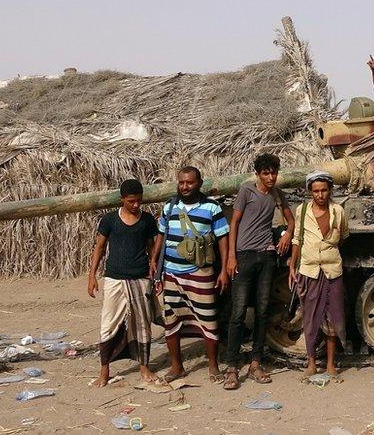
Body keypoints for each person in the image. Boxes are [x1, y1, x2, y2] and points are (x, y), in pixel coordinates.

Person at [149, 167, 230, 384]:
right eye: (182, 182)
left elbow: (223, 237)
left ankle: (213, 366)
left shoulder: (212, 207)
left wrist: (223, 269)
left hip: (201, 272)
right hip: (171, 273)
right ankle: (177, 367)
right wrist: (154, 260)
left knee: (208, 320)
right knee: (172, 321)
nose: (185, 186)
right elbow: (161, 234)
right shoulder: (170, 206)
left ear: (199, 183)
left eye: (190, 183)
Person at [223, 153, 295, 390]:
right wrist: (232, 257)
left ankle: (255, 363)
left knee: (263, 311)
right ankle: (232, 367)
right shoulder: (247, 192)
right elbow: (234, 223)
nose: (271, 177)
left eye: (274, 172)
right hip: (244, 256)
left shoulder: (277, 194)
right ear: (258, 174)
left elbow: (290, 220)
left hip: (266, 256)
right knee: (238, 312)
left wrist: (287, 236)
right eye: (266, 173)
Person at [87, 179, 163, 387]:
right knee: (109, 323)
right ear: (122, 199)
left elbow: (152, 248)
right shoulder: (109, 220)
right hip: (114, 278)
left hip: (140, 278)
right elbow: (99, 248)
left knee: (142, 325)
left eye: (139, 201)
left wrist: (155, 272)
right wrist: (92, 276)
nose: (136, 205)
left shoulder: (147, 220)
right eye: (131, 201)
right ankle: (104, 372)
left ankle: (144, 368)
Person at [288, 170, 350, 379]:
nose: (320, 195)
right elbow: (297, 238)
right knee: (310, 317)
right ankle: (312, 363)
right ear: (310, 192)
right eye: (316, 191)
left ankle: (331, 364)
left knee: (333, 317)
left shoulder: (338, 211)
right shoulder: (302, 210)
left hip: (332, 270)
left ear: (330, 190)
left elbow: (342, 237)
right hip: (309, 270)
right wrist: (292, 265)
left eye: (324, 190)